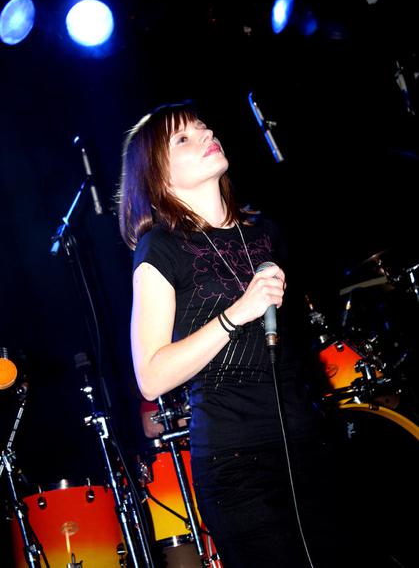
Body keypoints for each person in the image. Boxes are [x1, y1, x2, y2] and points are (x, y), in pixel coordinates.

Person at [117, 102, 356, 568]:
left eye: (203, 127)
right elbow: (151, 376)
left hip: (309, 442)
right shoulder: (159, 248)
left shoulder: (266, 232)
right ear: (158, 175)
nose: (206, 134)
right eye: (183, 138)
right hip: (238, 464)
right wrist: (236, 314)